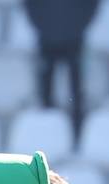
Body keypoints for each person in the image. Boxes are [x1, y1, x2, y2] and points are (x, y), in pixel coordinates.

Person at [23, 0, 99, 144]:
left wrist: (79, 26)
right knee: (46, 91)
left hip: (74, 35)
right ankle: (48, 137)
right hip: (48, 35)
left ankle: (78, 137)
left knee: (76, 90)